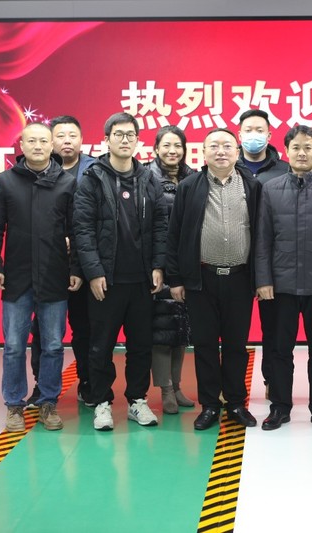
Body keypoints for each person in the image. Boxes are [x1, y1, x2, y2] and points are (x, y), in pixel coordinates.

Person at [0, 122, 82, 432]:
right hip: (16, 277)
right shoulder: (6, 181)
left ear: (51, 145)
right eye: (32, 141)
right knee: (14, 345)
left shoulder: (66, 182)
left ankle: (48, 403)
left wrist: (75, 269)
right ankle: (14, 405)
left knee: (53, 345)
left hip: (54, 275)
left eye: (43, 141)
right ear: (22, 146)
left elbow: (76, 230)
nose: (38, 146)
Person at [73, 112, 167, 431]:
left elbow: (160, 225)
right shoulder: (92, 179)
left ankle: (137, 400)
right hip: (106, 280)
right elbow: (83, 229)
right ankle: (101, 402)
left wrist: (157, 265)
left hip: (141, 280)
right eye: (119, 135)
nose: (125, 140)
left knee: (140, 345)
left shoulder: (148, 179)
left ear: (137, 141)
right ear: (106, 140)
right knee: (100, 345)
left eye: (130, 135)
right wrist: (94, 272)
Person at [255, 125, 312, 432]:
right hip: (280, 286)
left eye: (308, 147)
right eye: (295, 147)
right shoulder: (270, 189)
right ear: (286, 151)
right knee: (279, 349)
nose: (301, 152)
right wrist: (263, 280)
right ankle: (279, 407)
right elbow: (262, 240)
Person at [167, 128, 261, 431]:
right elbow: (175, 234)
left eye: (227, 146)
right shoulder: (189, 186)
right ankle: (209, 405)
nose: (221, 151)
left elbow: (261, 234)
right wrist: (176, 278)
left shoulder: (252, 185)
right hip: (201, 278)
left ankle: (235, 402)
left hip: (240, 278)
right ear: (204, 152)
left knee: (236, 345)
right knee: (205, 345)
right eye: (214, 146)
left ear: (237, 151)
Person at [26, 115, 97, 409]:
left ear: (81, 140)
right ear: (51, 141)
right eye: (61, 136)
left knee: (85, 329)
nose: (67, 141)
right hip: (47, 266)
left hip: (84, 265)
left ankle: (88, 382)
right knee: (43, 332)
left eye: (72, 135)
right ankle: (42, 387)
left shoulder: (95, 171)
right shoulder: (36, 173)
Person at [235, 109, 291, 398]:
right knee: (234, 330)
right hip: (237, 260)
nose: (253, 135)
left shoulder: (285, 170)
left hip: (274, 261)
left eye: (259, 130)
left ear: (269, 136)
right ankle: (233, 386)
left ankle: (273, 381)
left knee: (274, 328)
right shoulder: (227, 168)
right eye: (248, 130)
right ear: (239, 134)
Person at [145, 125, 196, 414]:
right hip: (159, 266)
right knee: (161, 330)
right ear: (156, 148)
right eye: (166, 145)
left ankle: (177, 386)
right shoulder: (146, 177)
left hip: (185, 266)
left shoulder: (193, 177)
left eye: (177, 145)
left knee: (180, 329)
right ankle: (164, 389)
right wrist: (157, 263)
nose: (172, 151)